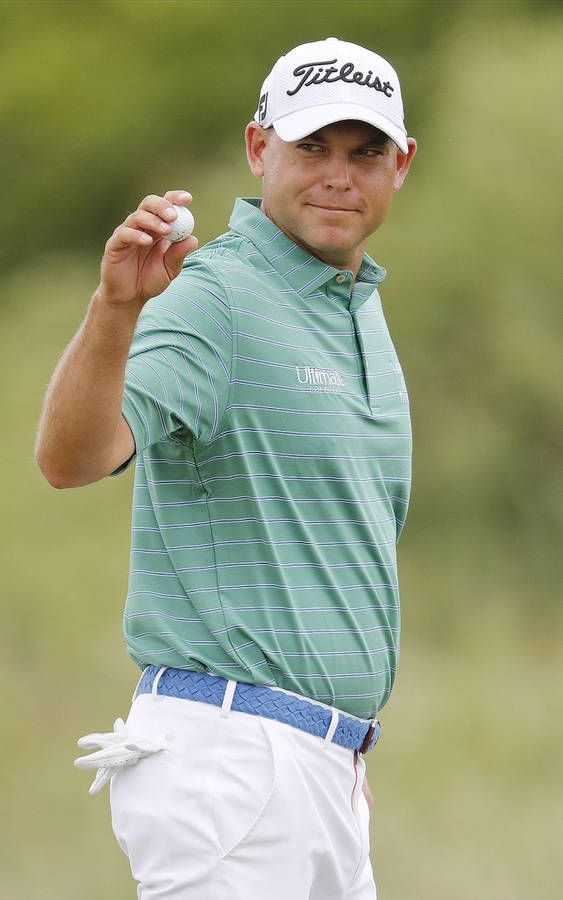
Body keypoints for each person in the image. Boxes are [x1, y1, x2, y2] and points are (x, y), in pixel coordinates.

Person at [36, 36, 416, 900]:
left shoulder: (357, 310)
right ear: (258, 148)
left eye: (365, 153)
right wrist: (114, 310)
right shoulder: (218, 296)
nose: (337, 176)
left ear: (401, 166)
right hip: (234, 761)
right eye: (311, 147)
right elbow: (73, 459)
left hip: (322, 766)